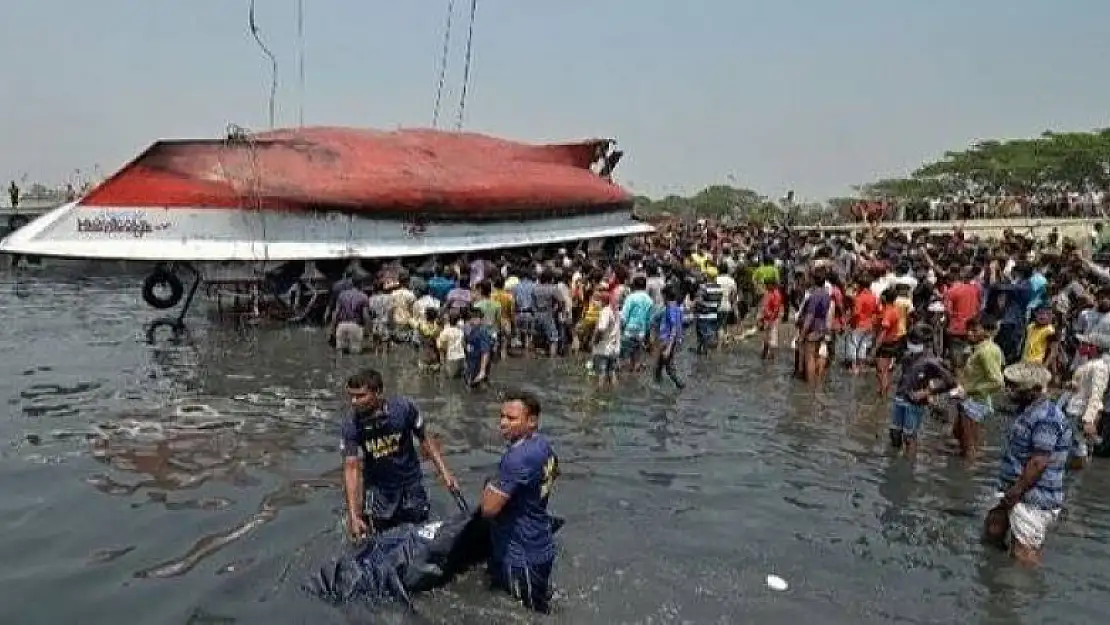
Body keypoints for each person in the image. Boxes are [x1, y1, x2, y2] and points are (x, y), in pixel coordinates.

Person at [340, 369, 458, 538]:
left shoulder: (403, 409)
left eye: (360, 396)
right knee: (378, 538)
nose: (354, 402)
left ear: (378, 392)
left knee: (420, 533)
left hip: (410, 484)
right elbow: (351, 468)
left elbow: (425, 439)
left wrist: (445, 472)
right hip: (379, 490)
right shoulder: (351, 425)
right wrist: (353, 514)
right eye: (351, 396)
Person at [982, 362, 1072, 566]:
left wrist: (1016, 491)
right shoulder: (1027, 410)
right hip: (1012, 488)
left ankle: (1022, 592)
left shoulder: (1046, 418)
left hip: (1033, 496)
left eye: (1015, 387)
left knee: (1023, 554)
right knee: (993, 530)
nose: (1009, 390)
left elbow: (1039, 462)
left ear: (1034, 390)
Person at [480, 390, 560, 614]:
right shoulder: (542, 445)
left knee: (524, 614)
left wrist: (490, 486)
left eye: (511, 418)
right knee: (538, 604)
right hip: (540, 541)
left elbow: (488, 509)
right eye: (502, 416)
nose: (503, 423)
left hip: (521, 553)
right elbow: (555, 472)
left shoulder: (517, 458)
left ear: (532, 421)